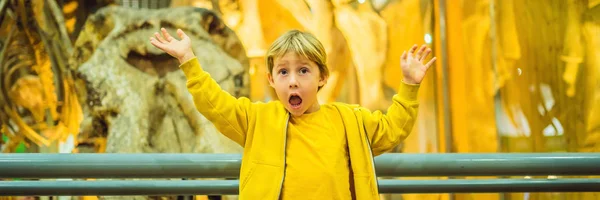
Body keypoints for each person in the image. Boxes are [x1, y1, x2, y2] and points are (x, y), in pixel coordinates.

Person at [150, 28, 436, 200]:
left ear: (322, 77)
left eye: (303, 70)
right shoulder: (256, 118)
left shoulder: (350, 120)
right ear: (271, 80)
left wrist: (410, 85)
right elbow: (214, 103)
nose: (293, 81)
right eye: (283, 72)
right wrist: (188, 60)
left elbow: (393, 129)